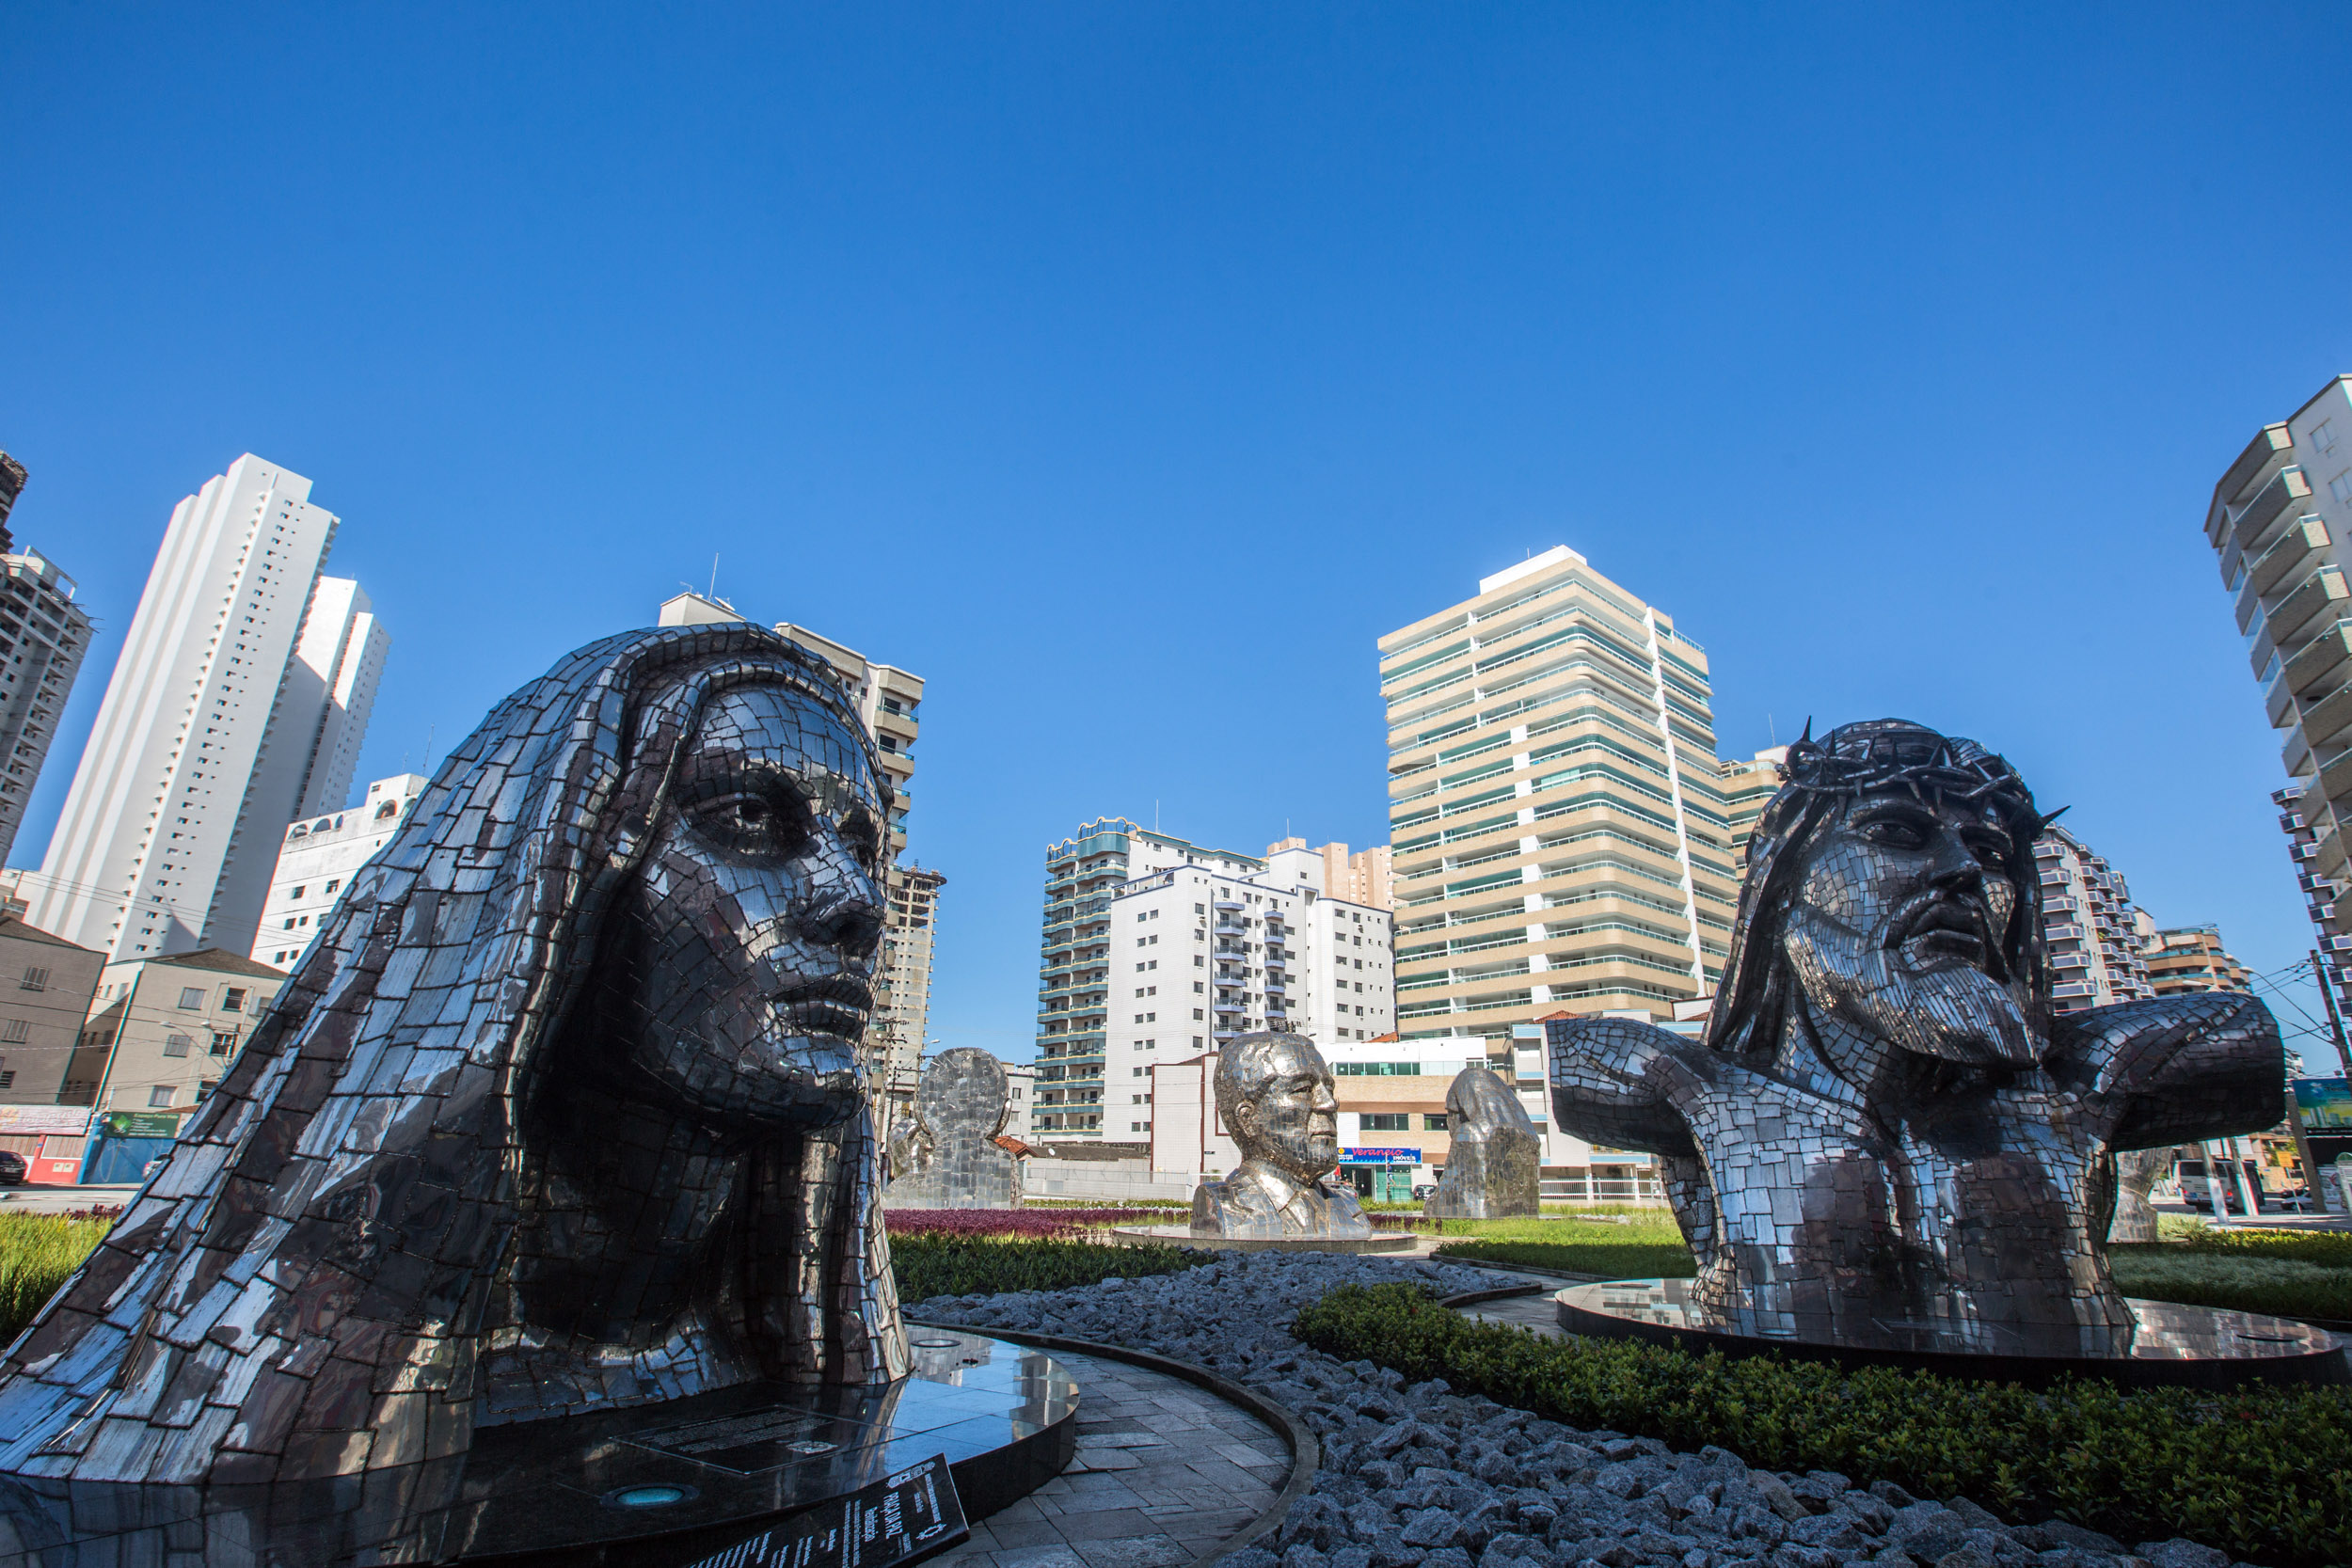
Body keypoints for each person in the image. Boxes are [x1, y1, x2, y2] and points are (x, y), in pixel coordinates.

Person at [0, 624, 909, 1506]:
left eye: (866, 851)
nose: (857, 902)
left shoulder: (788, 1329)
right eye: (748, 814)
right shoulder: (222, 1405)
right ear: (557, 876)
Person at [1548, 719, 2280, 1349]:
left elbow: (2239, 1028)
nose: (1961, 870)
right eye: (1897, 833)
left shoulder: (2089, 1074)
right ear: (1782, 880)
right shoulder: (1682, 1082)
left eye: (1992, 854)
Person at [1192, 1032, 1370, 1238]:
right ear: (1247, 1119)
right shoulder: (1224, 1204)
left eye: (1329, 1088)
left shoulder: (1348, 1207)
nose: (1328, 1103)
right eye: (1303, 1089)